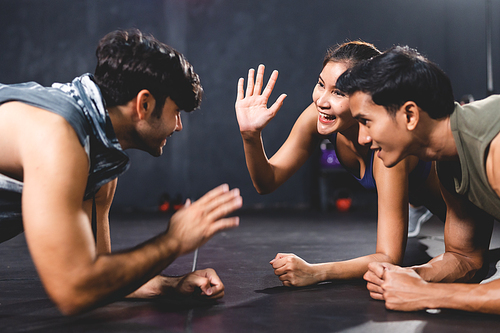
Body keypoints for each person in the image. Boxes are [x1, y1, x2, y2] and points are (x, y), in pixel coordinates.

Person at [0, 29, 243, 315]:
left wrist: (168, 285)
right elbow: (73, 289)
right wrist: (172, 242)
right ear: (144, 104)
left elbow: (99, 276)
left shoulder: (100, 154)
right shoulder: (59, 136)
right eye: (176, 112)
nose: (178, 126)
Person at [234, 41, 445, 287]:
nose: (322, 101)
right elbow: (266, 182)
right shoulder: (318, 116)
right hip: (414, 190)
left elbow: (389, 258)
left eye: (338, 92)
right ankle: (414, 203)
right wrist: (250, 136)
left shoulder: (385, 145)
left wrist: (315, 272)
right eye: (321, 84)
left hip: (455, 203)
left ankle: (415, 202)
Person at [336, 45, 500, 314]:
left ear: (409, 115)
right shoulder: (448, 157)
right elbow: (465, 258)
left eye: (366, 121)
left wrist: (429, 294)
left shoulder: (494, 149)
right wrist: (411, 277)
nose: (363, 138)